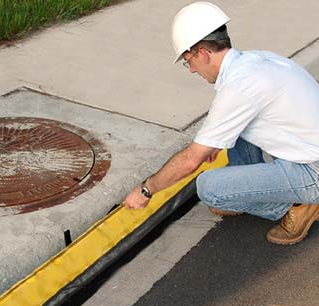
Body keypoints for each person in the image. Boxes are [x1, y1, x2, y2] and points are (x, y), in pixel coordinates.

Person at [124, 1, 319, 245]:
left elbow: (191, 160)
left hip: (313, 171)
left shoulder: (238, 88)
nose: (192, 70)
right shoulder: (257, 60)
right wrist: (212, 142)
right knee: (232, 132)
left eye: (189, 61)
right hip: (307, 148)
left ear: (203, 52)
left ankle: (297, 206)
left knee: (209, 188)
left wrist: (146, 190)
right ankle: (262, 193)